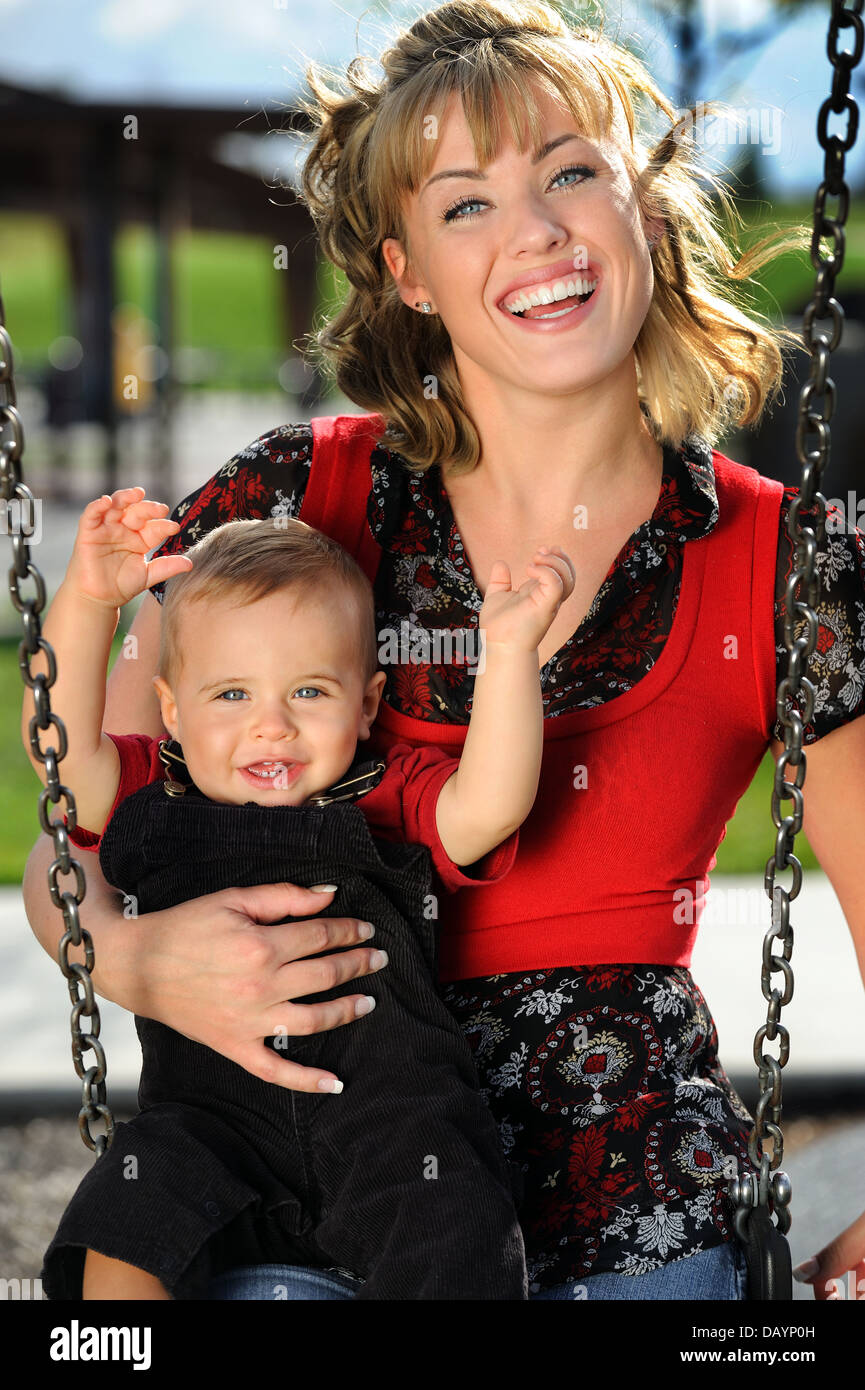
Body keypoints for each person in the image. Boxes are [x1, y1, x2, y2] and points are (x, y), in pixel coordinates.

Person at [22, 0, 865, 1301]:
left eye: (571, 172)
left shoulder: (777, 556)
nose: (535, 233)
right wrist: (126, 956)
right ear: (406, 271)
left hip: (632, 1186)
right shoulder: (288, 506)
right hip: (309, 1151)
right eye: (465, 203)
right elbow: (85, 827)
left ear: (638, 205)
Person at [26, 496, 578, 1300]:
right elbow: (61, 757)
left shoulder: (383, 795)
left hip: (389, 1117)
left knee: (457, 1222)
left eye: (309, 694)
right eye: (231, 696)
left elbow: (488, 806)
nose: (272, 728)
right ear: (172, 712)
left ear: (364, 705)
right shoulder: (154, 789)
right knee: (123, 1216)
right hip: (208, 1126)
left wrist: (510, 654)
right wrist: (86, 601)